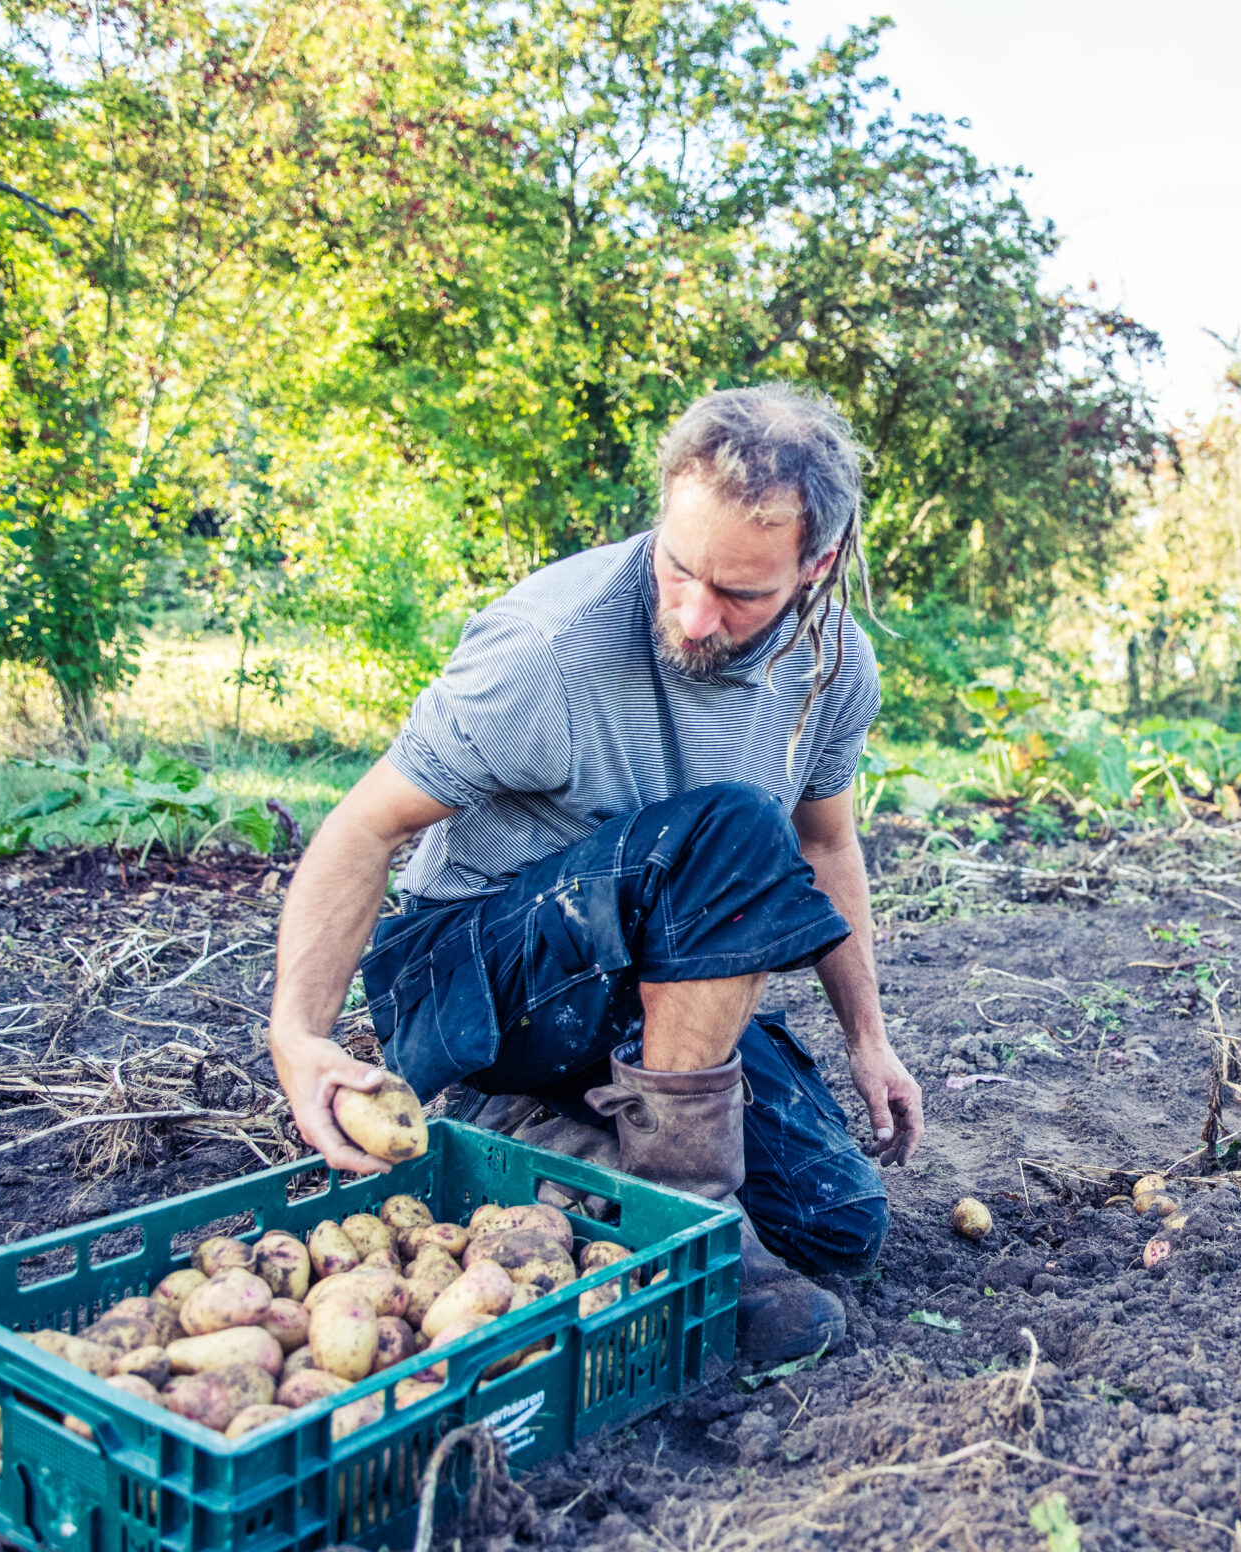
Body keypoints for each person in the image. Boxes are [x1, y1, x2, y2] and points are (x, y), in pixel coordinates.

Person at [265, 383, 922, 1365]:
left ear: (814, 566)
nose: (695, 617)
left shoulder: (834, 663)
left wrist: (870, 1039)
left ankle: (545, 1144)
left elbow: (827, 844)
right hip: (473, 979)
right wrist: (295, 1032)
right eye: (678, 569)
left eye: (740, 593)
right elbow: (367, 827)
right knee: (736, 830)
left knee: (839, 1222)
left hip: (632, 991)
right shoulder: (548, 650)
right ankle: (680, 1224)